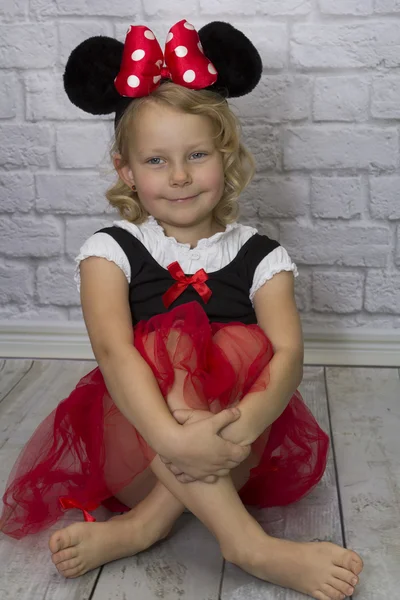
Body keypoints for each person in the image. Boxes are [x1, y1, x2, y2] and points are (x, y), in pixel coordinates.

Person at [0, 20, 363, 600]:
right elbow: (114, 356)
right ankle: (250, 545)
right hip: (137, 442)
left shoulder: (263, 256)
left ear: (227, 156)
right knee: (163, 347)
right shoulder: (108, 252)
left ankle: (144, 524)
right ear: (126, 170)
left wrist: (238, 428)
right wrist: (173, 440)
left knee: (246, 346)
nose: (179, 176)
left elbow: (291, 354)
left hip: (233, 449)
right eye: (156, 161)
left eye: (197, 154)